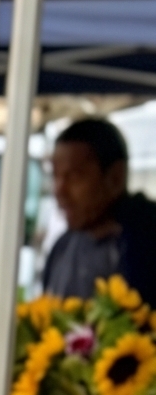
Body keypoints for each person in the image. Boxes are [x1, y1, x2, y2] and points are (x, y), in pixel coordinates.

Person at [43, 117, 156, 303]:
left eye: (74, 176)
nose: (59, 191)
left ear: (115, 178)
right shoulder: (63, 247)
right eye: (55, 176)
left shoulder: (145, 246)